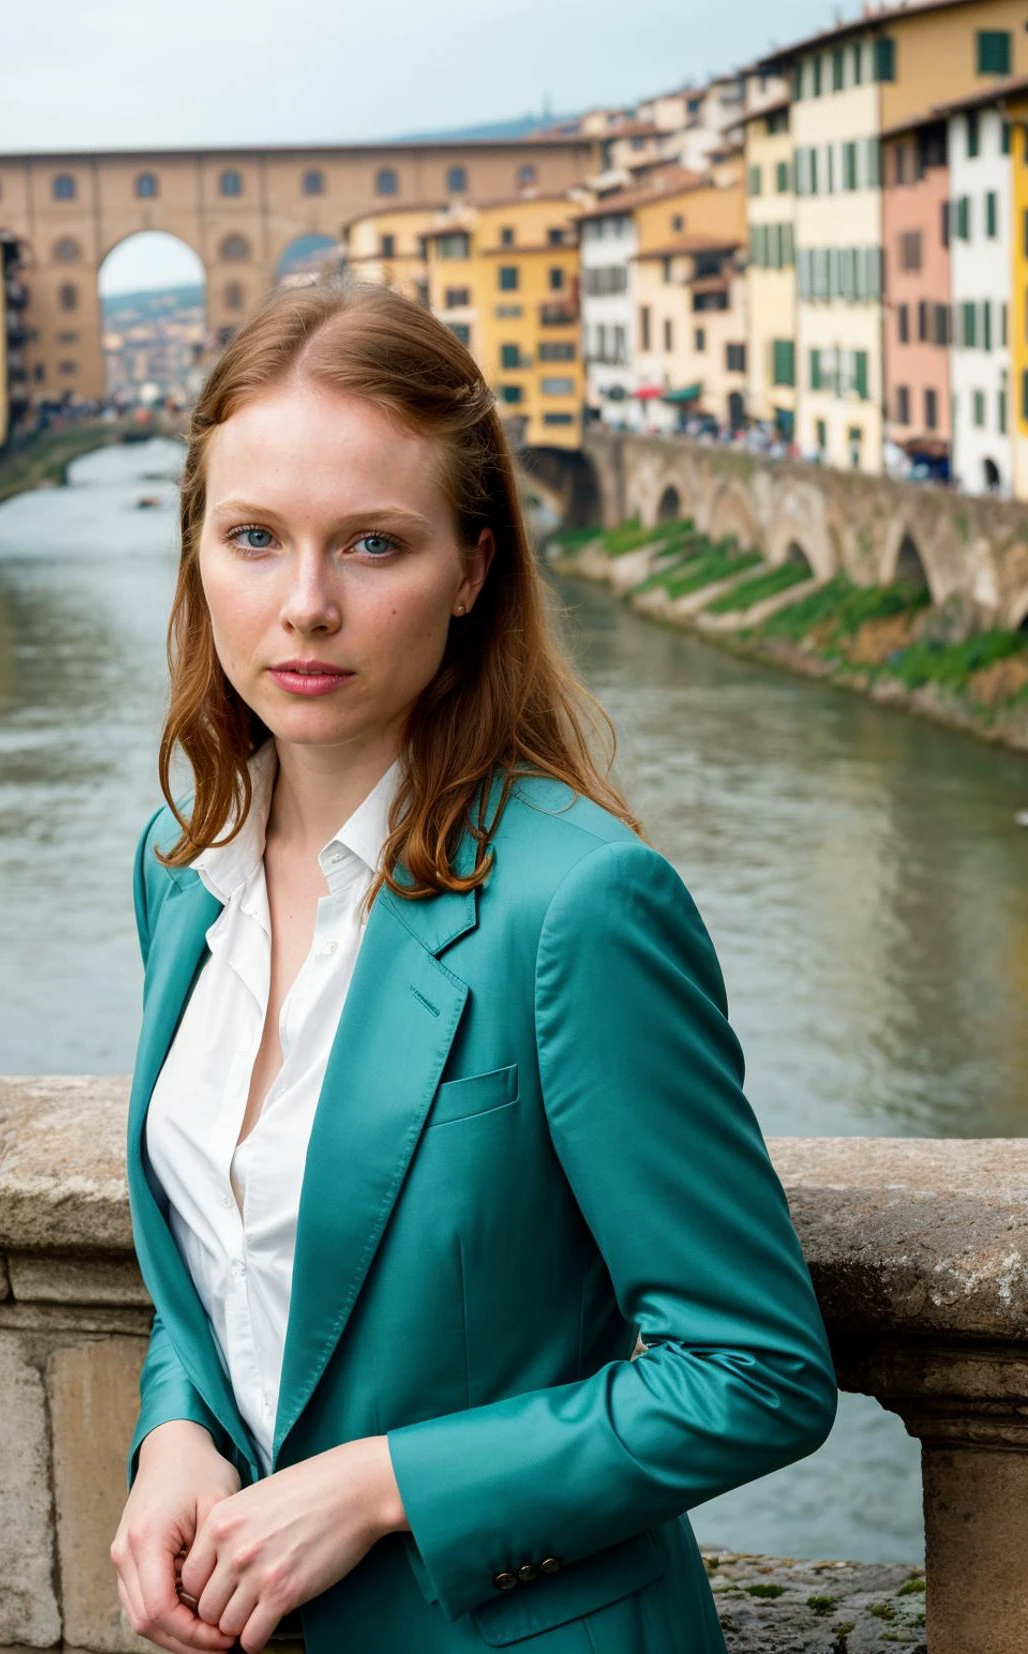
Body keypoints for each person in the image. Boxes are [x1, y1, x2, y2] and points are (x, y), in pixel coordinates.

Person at [112, 276, 838, 1654]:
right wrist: (179, 1431)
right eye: (254, 536)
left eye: (373, 544)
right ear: (196, 549)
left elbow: (753, 1370)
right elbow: (235, 1265)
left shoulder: (578, 907)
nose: (305, 604)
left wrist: (387, 1484)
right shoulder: (177, 869)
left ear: (473, 565)